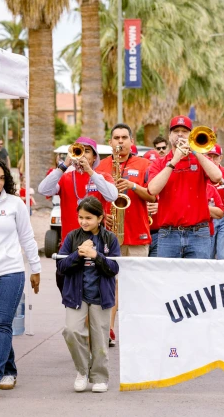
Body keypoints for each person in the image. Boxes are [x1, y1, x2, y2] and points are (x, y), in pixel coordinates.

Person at [96, 123, 155, 346]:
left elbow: (152, 196)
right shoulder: (102, 165)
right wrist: (102, 214)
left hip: (138, 233)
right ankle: (109, 330)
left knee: (136, 286)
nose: (120, 142)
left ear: (132, 141)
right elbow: (94, 199)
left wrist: (132, 185)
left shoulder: (145, 164)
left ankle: (137, 332)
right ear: (110, 142)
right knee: (110, 286)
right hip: (110, 235)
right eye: (116, 138)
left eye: (124, 138)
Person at [0, 158, 40, 396]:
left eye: (1, 178)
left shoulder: (15, 204)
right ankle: (9, 369)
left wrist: (36, 269)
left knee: (0, 322)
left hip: (9, 271)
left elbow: (27, 237)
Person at [57, 197, 120, 393]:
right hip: (76, 296)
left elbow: (115, 267)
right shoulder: (71, 237)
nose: (83, 221)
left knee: (100, 337)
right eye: (80, 217)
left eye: (89, 218)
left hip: (101, 297)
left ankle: (100, 377)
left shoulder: (110, 239)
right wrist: (78, 254)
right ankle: (82, 371)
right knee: (71, 330)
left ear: (100, 218)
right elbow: (61, 265)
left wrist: (96, 256)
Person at [38, 137, 118, 293]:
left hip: (98, 247)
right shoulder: (66, 177)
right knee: (70, 296)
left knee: (95, 298)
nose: (82, 154)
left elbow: (112, 196)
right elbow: (43, 189)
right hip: (70, 246)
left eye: (87, 151)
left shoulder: (102, 177)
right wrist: (64, 165)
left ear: (94, 157)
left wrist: (90, 170)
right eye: (78, 150)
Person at [148, 116, 222, 258]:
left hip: (198, 233)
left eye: (185, 131)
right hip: (168, 234)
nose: (180, 134)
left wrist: (196, 151)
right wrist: (174, 160)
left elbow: (217, 176)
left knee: (199, 279)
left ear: (191, 135)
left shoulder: (200, 159)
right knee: (168, 279)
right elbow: (153, 190)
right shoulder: (159, 163)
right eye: (176, 131)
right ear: (170, 136)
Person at [206, 144, 224, 260]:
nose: (212, 160)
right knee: (208, 255)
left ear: (221, 158)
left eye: (215, 157)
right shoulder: (202, 172)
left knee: (223, 256)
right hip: (208, 216)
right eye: (210, 157)